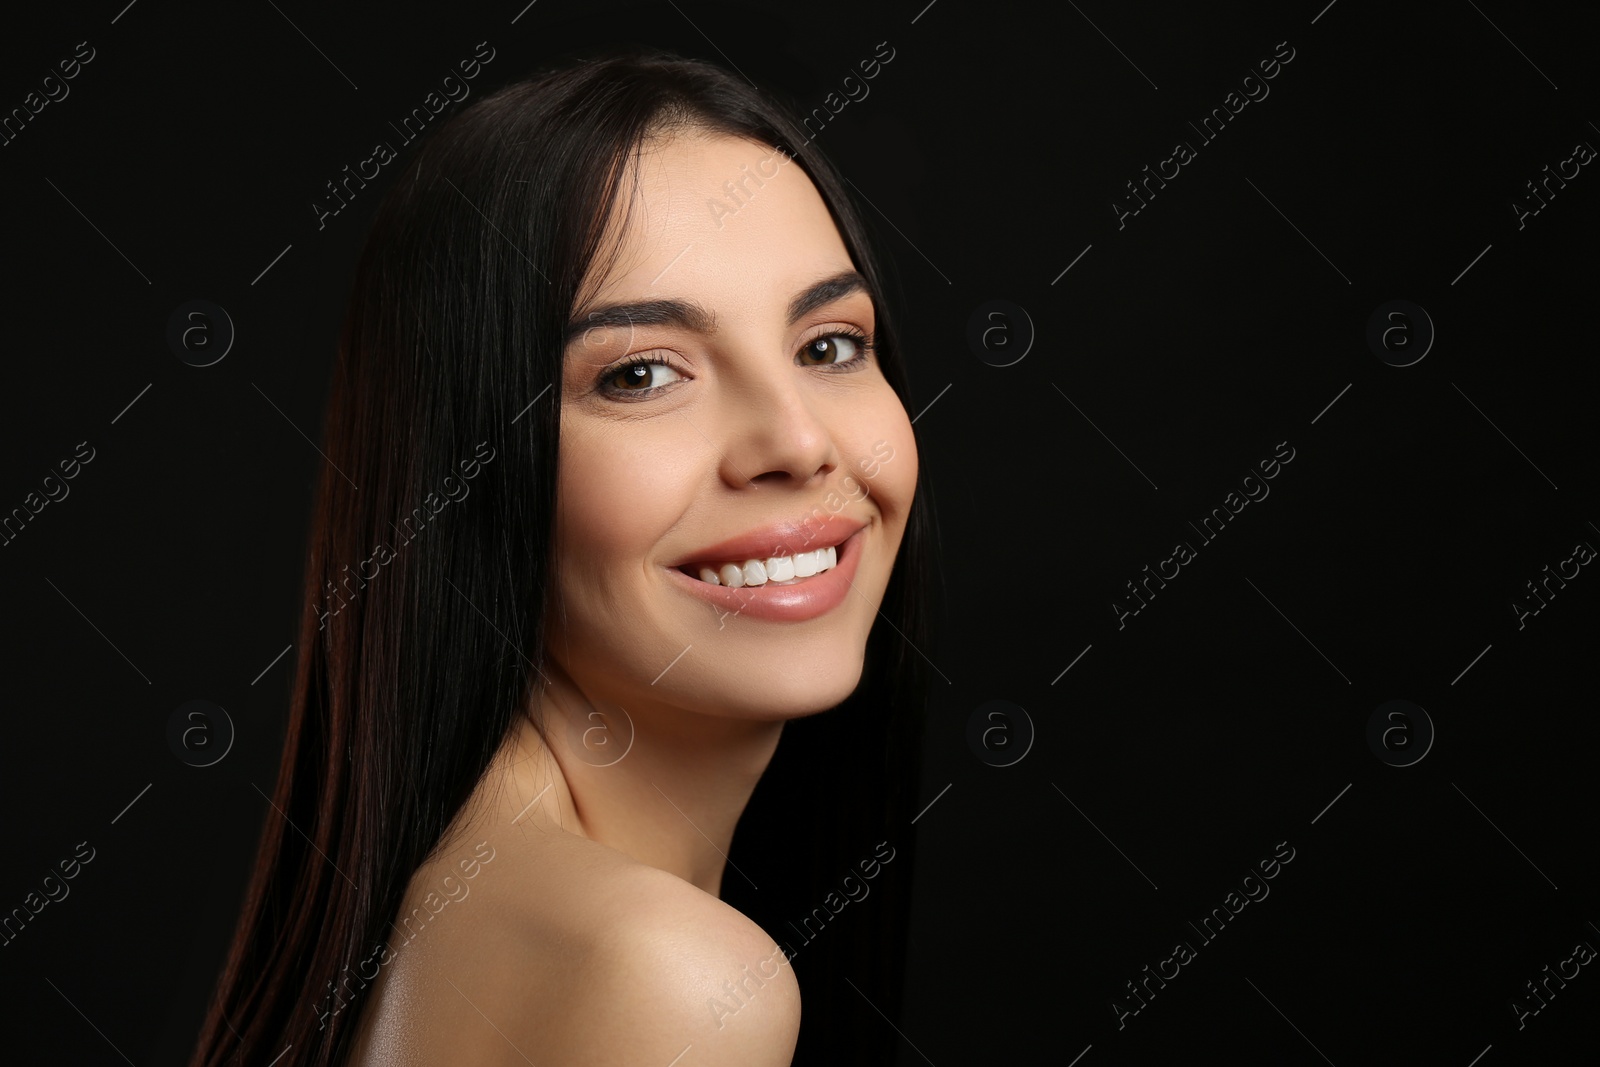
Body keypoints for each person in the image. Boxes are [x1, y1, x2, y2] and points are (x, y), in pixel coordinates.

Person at [190, 46, 935, 1067]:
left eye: (827, 345)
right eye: (639, 373)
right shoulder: (666, 977)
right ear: (468, 463)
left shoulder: (473, 903)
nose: (797, 442)